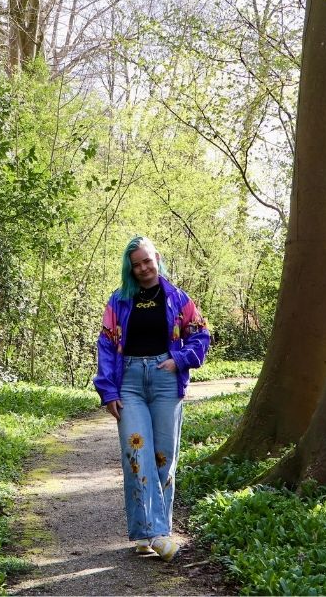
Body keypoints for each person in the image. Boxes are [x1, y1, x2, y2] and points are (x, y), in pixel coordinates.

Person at [93, 236, 210, 562]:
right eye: (137, 265)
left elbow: (201, 334)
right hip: (128, 381)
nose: (143, 268)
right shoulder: (118, 301)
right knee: (137, 454)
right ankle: (157, 535)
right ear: (130, 269)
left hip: (164, 381)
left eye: (147, 261)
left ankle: (150, 533)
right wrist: (109, 391)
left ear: (157, 258)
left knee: (163, 459)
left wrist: (180, 360)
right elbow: (105, 345)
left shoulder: (177, 298)